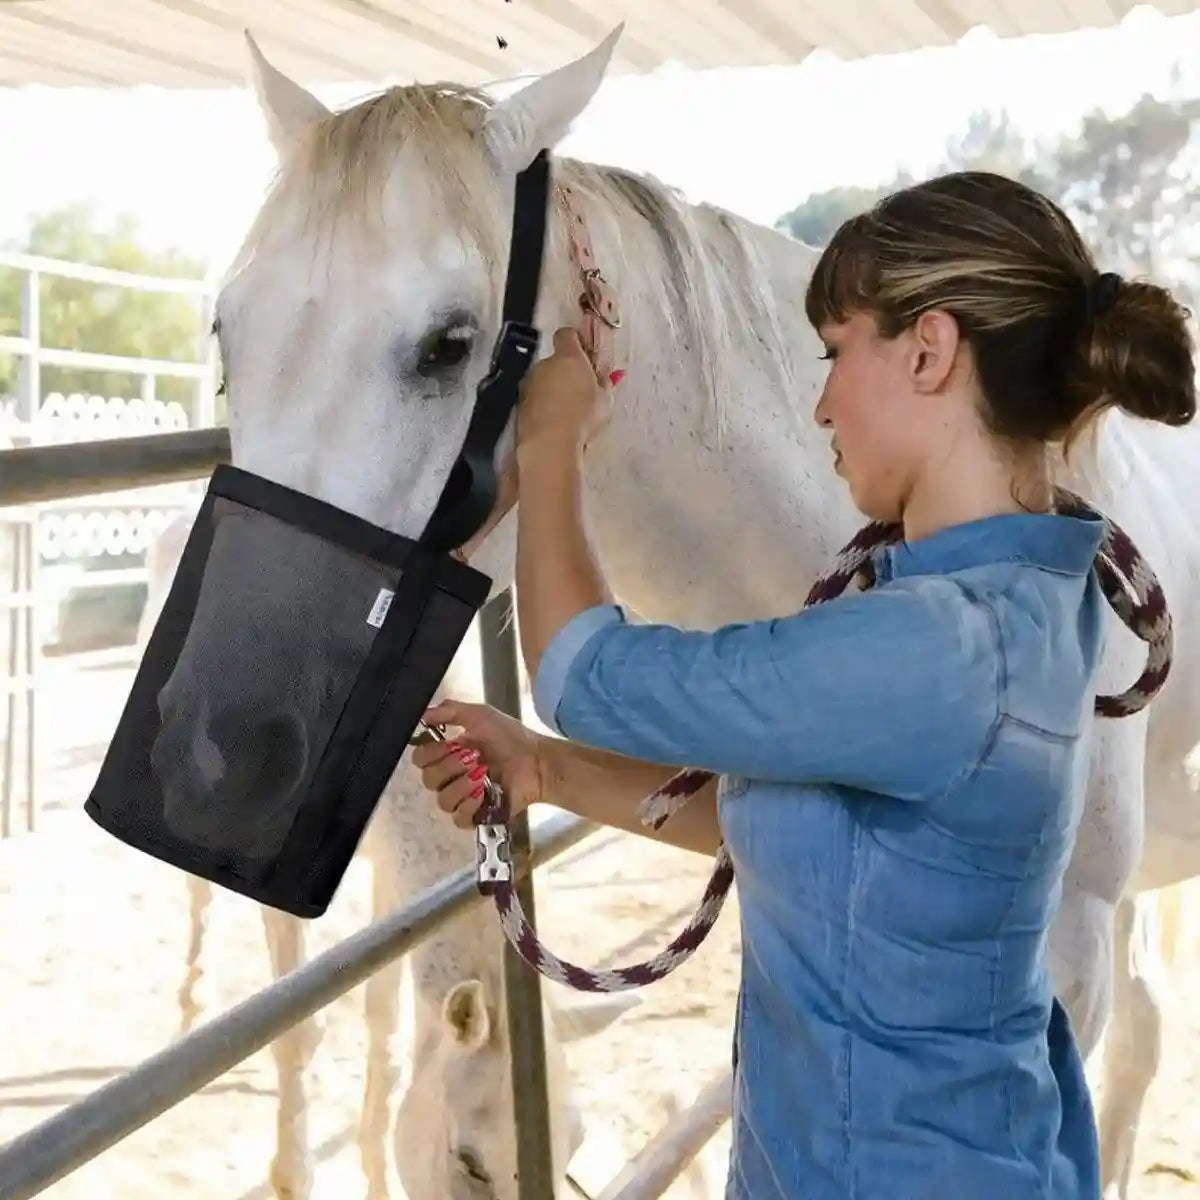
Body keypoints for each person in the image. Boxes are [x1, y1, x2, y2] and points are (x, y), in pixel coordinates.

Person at [413, 171, 1196, 1199]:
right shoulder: (1018, 599)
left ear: (930, 352)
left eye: (835, 355)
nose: (821, 400)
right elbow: (813, 836)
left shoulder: (938, 645)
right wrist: (548, 771)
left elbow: (584, 671)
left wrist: (553, 442)